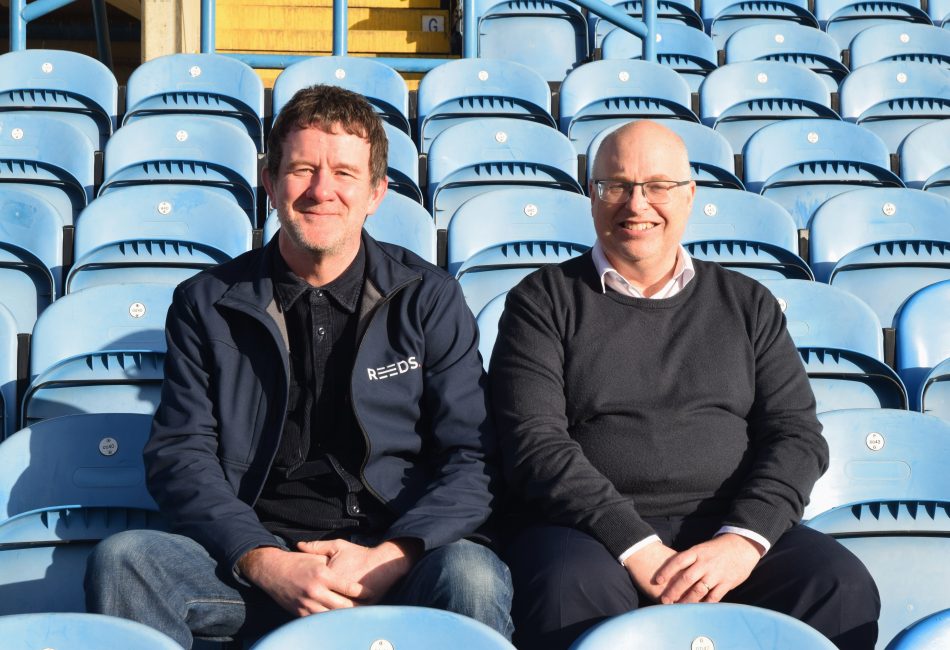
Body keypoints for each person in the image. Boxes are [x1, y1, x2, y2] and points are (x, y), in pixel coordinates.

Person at [85, 84, 513, 648]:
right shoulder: (206, 302)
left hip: (395, 557)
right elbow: (181, 455)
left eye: (344, 174)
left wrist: (393, 555)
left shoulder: (427, 299)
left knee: (473, 577)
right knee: (126, 559)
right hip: (257, 562)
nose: (321, 191)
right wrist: (265, 561)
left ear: (377, 192)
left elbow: (473, 456)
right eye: (303, 169)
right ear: (269, 182)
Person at [489, 120, 879, 650]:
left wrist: (744, 539)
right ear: (592, 196)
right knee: (565, 592)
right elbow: (533, 443)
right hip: (587, 535)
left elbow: (797, 436)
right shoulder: (542, 300)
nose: (636, 204)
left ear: (689, 195)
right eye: (616, 185)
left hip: (725, 527)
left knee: (839, 586)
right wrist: (634, 545)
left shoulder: (747, 303)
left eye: (657, 186)